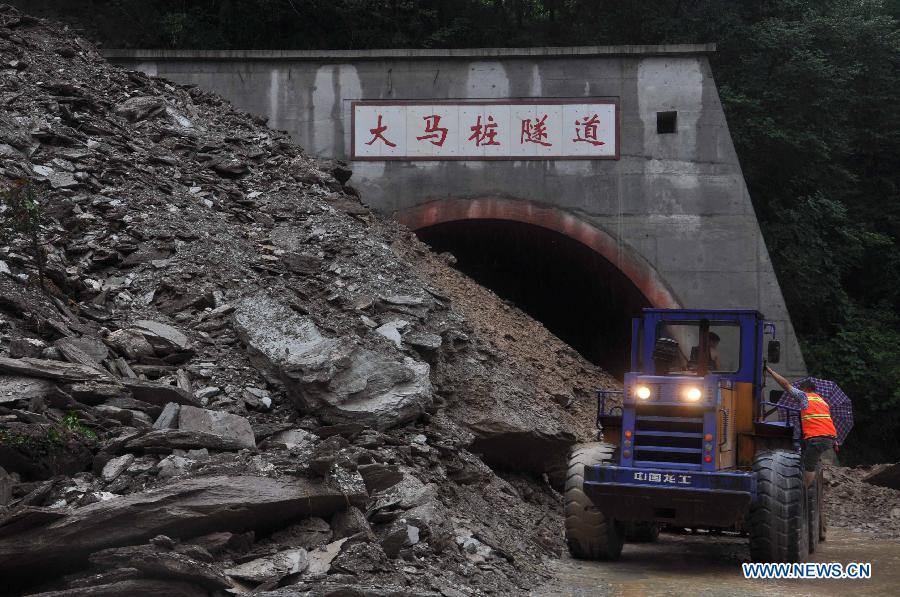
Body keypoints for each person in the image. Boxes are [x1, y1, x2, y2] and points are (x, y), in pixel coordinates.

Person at [767, 366, 837, 487]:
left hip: (817, 438)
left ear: (805, 389)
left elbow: (786, 385)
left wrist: (771, 372)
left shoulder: (804, 396)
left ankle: (802, 491)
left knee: (808, 466)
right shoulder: (822, 401)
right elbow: (823, 420)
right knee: (810, 459)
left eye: (800, 389)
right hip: (828, 437)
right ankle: (809, 485)